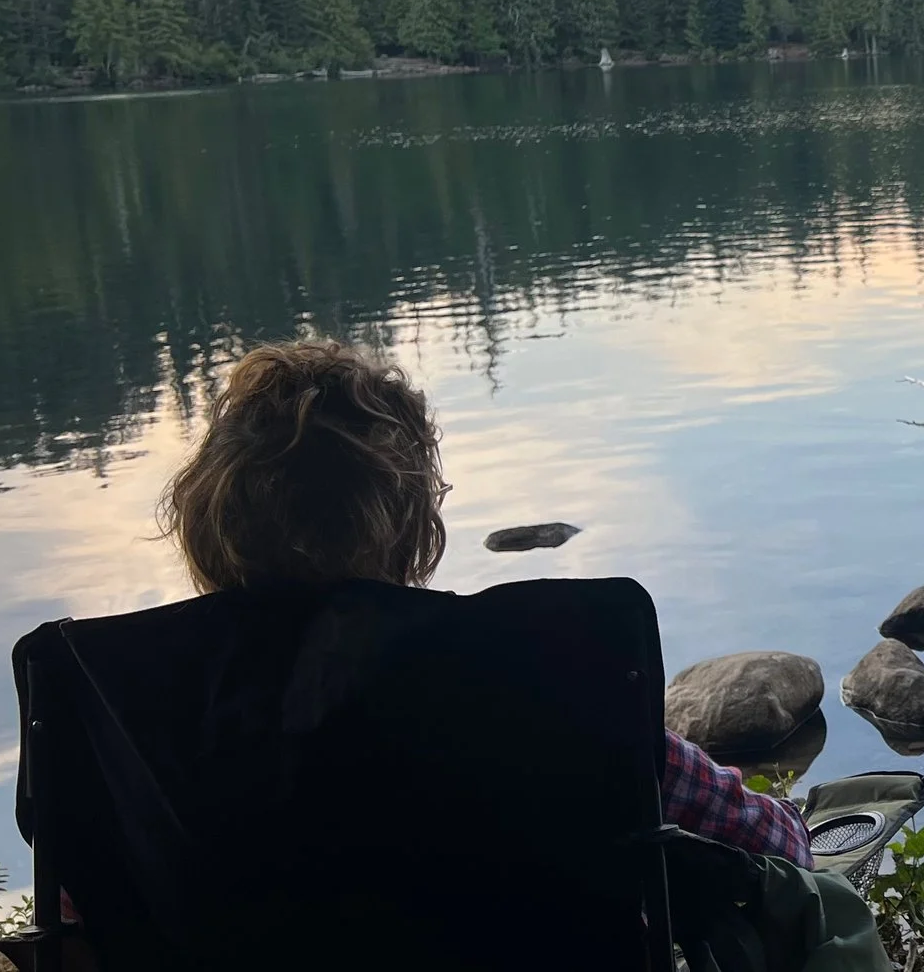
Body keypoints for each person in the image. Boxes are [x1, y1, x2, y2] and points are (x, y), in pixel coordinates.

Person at [156, 337, 813, 869]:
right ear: (410, 530)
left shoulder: (132, 724)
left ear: (205, 522)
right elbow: (780, 846)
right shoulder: (538, 686)